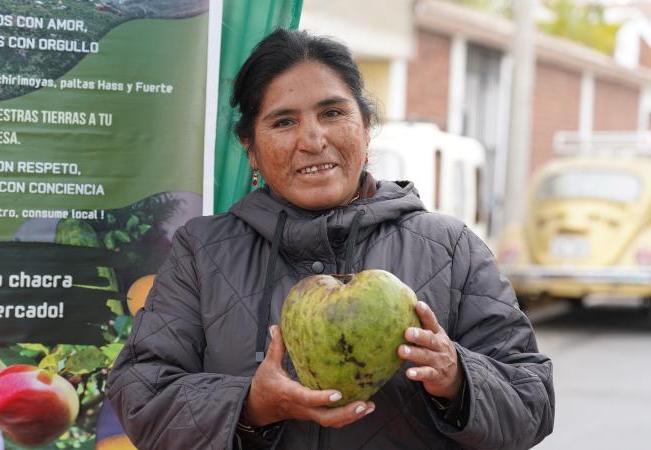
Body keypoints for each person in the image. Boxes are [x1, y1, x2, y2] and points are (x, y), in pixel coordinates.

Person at [106, 29, 554, 450]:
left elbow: (532, 400)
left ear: (366, 125)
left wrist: (458, 378)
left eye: (333, 113)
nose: (313, 139)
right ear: (250, 147)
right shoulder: (203, 252)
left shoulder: (450, 247)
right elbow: (140, 392)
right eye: (283, 122)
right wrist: (251, 404)